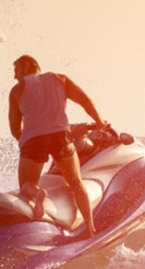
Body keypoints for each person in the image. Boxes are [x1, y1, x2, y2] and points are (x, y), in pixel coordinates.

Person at [8, 55, 107, 237]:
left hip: (34, 139)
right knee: (76, 183)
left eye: (16, 70)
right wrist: (99, 122)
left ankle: (38, 194)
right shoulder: (60, 79)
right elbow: (86, 101)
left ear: (27, 65)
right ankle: (91, 229)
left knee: (26, 185)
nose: (15, 76)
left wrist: (28, 144)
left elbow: (15, 129)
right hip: (60, 136)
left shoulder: (16, 90)